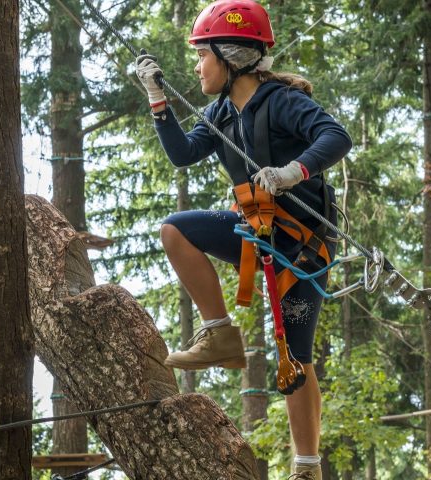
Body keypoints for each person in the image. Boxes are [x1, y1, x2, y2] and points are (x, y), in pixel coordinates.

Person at [135, 1, 352, 478]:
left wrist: (295, 171)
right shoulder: (219, 113)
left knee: (294, 358)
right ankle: (220, 335)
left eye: (202, 56)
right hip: (258, 233)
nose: (197, 66)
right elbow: (184, 154)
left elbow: (335, 136)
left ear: (230, 57)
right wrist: (158, 99)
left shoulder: (282, 102)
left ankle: (307, 467)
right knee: (176, 229)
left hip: (302, 247)